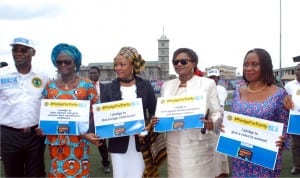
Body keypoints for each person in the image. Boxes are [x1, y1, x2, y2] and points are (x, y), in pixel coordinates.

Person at [152, 48, 222, 177]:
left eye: (183, 61)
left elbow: (217, 112)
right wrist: (158, 120)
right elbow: (162, 112)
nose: (179, 64)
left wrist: (212, 123)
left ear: (194, 63)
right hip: (174, 144)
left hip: (198, 145)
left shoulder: (207, 84)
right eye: (175, 62)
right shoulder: (166, 86)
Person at [37, 43, 101, 177]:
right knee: (58, 172)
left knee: (79, 173)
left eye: (67, 62)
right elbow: (44, 111)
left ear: (76, 63)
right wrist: (41, 126)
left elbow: (97, 112)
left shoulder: (87, 85)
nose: (63, 65)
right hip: (56, 140)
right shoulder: (50, 86)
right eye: (59, 62)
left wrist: (89, 133)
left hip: (79, 140)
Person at [101, 46, 159, 178]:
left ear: (132, 65)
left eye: (122, 64)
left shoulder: (146, 86)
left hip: (141, 143)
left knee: (138, 175)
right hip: (118, 143)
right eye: (116, 65)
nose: (118, 68)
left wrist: (146, 129)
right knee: (120, 175)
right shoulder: (108, 88)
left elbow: (154, 113)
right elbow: (103, 116)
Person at [230, 48, 288, 177]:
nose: (249, 68)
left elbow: (285, 126)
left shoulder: (279, 94)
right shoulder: (238, 91)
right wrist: (224, 127)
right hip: (240, 158)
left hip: (264, 160)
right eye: (246, 64)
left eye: (255, 64)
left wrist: (283, 139)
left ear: (265, 66)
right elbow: (231, 120)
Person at [0, 37, 48, 177]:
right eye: (15, 50)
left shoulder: (42, 75)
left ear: (33, 52)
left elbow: (48, 102)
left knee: (36, 174)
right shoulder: (2, 74)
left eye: (24, 50)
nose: (18, 53)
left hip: (35, 135)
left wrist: (44, 123)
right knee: (13, 174)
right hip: (9, 135)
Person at [88, 65, 111, 173]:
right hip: (87, 119)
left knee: (101, 142)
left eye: (94, 73)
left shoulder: (105, 87)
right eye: (90, 73)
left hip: (101, 119)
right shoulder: (83, 87)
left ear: (99, 74)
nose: (92, 75)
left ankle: (106, 163)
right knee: (82, 141)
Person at [207, 68, 229, 178]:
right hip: (209, 118)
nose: (213, 79)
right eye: (211, 77)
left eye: (214, 77)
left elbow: (218, 106)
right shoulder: (206, 88)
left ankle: (222, 170)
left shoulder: (221, 89)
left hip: (219, 117)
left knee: (220, 146)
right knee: (210, 145)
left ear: (218, 78)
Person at [283, 63, 300, 175]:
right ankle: (297, 166)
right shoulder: (289, 85)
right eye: (298, 69)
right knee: (296, 144)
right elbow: (285, 100)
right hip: (295, 117)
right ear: (295, 71)